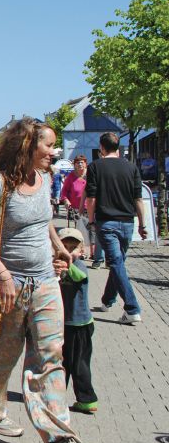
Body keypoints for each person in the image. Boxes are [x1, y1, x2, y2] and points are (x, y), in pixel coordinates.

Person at [0, 119, 96, 443]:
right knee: (4, 356)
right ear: (26, 146)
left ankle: (60, 440)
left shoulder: (46, 179)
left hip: (46, 284)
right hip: (12, 288)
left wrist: (59, 248)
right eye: (48, 146)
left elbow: (45, 222)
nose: (54, 153)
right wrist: (4, 275)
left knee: (49, 357)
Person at [86, 131, 146, 324]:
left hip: (106, 222)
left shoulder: (95, 166)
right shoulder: (131, 167)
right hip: (128, 222)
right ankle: (107, 300)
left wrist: (91, 219)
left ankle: (132, 308)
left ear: (101, 148)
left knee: (116, 263)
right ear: (118, 147)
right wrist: (143, 224)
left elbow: (91, 198)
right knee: (117, 263)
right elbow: (139, 198)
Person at [57, 227, 98, 415]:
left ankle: (87, 399)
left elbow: (79, 276)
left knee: (79, 363)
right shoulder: (57, 265)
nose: (68, 250)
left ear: (81, 251)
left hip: (80, 325)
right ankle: (56, 396)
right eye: (64, 246)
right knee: (62, 361)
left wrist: (68, 265)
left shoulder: (79, 265)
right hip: (64, 324)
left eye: (73, 247)